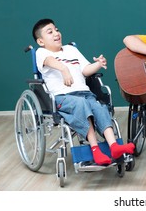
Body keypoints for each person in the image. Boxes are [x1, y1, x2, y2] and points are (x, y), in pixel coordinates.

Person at [32, 18, 135, 165]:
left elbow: (85, 70)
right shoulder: (42, 52)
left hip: (85, 93)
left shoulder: (71, 49)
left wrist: (98, 64)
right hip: (63, 97)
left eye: (57, 29)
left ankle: (114, 146)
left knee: (99, 107)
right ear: (41, 41)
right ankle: (95, 150)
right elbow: (50, 61)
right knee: (81, 104)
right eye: (50, 32)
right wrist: (64, 69)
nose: (56, 33)